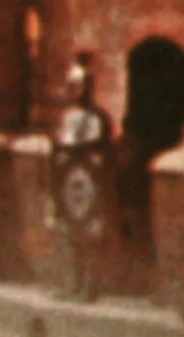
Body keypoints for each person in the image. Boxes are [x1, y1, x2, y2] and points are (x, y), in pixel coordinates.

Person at [50, 57, 114, 301]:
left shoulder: (97, 119)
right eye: (73, 87)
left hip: (89, 183)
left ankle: (89, 287)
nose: (76, 92)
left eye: (81, 86)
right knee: (70, 235)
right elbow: (61, 148)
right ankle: (71, 283)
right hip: (68, 183)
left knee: (90, 235)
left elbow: (98, 153)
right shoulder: (66, 118)